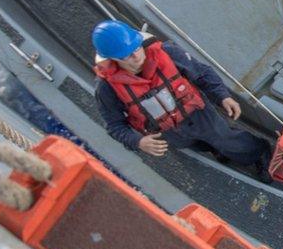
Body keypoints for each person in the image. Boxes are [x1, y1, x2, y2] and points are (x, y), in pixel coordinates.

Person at [91, 20, 271, 175]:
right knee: (201, 144)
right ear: (113, 59)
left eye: (137, 47)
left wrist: (222, 96)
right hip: (168, 132)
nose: (136, 56)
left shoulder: (167, 52)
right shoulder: (106, 88)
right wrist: (137, 141)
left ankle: (260, 152)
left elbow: (202, 73)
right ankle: (218, 150)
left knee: (225, 138)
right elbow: (114, 125)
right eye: (126, 55)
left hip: (199, 115)